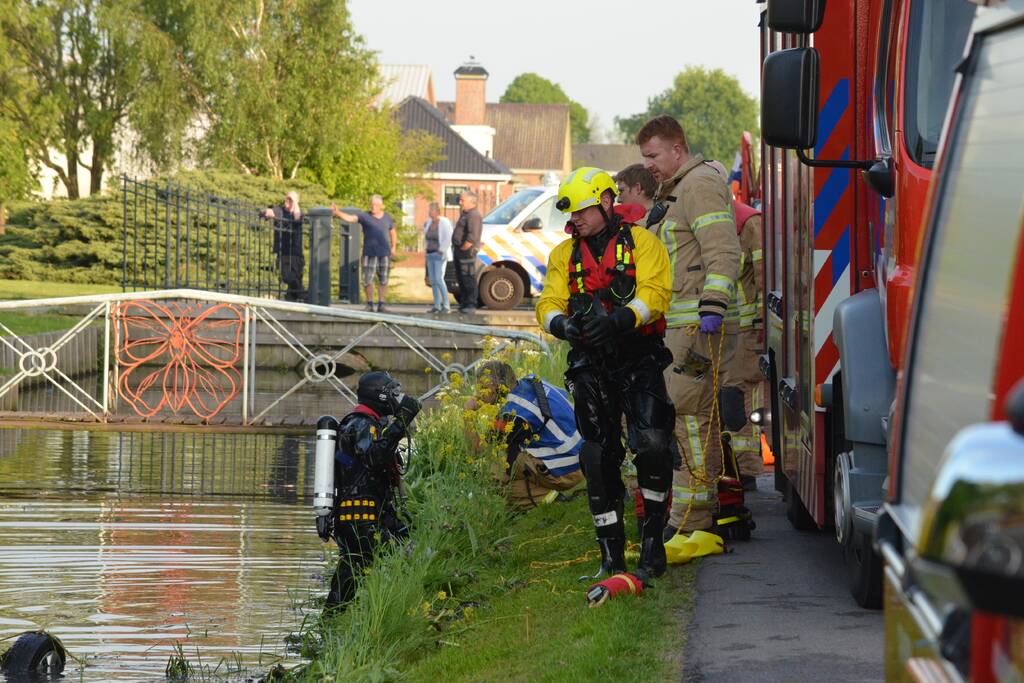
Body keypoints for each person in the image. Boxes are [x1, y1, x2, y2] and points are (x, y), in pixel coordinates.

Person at [537, 167, 675, 583]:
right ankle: (610, 555)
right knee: (597, 455)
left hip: (638, 354)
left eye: (582, 211)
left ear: (606, 203)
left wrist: (620, 320)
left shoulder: (643, 244)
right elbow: (547, 303)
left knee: (651, 443)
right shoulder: (564, 255)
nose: (575, 219)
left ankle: (652, 543)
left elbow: (657, 292)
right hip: (590, 360)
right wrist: (562, 325)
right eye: (572, 213)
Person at [636, 115, 742, 540]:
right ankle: (691, 516)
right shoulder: (675, 192)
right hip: (675, 330)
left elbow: (722, 247)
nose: (648, 166)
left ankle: (692, 522)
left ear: (676, 150)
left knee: (690, 420)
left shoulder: (697, 186)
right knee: (688, 419)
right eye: (644, 158)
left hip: (695, 329)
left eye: (653, 156)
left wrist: (713, 306)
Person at [316, 371, 421, 610]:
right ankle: (338, 626)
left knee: (356, 573)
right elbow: (374, 457)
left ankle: (372, 615)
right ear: (380, 396)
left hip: (371, 514)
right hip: (359, 517)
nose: (397, 398)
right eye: (393, 393)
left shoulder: (370, 423)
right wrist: (401, 423)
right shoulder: (360, 424)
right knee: (353, 575)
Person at [707, 160, 765, 490]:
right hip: (721, 329)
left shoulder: (747, 222)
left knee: (737, 396)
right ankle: (730, 470)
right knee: (721, 398)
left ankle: (747, 472)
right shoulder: (712, 221)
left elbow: (763, 276)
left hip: (747, 329)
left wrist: (759, 325)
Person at [464, 360, 584, 509]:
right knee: (511, 454)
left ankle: (547, 498)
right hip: (585, 456)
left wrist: (467, 414)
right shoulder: (532, 381)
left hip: (568, 470)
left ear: (494, 387)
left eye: (482, 388)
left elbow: (478, 450)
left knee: (491, 469)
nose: (479, 394)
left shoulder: (512, 413)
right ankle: (541, 492)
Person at [332, 195, 397, 313]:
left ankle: (381, 304)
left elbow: (393, 232)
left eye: (376, 205)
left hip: (384, 253)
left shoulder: (387, 217)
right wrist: (338, 213)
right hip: (369, 253)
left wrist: (393, 247)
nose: (373, 207)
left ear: (381, 206)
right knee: (368, 279)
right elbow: (351, 218)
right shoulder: (364, 216)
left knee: (383, 279)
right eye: (372, 204)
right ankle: (370, 304)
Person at [262, 191, 305, 302]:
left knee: (296, 278)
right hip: (283, 251)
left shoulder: (298, 212)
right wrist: (266, 212)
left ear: (296, 202)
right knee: (286, 276)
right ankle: (303, 293)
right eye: (287, 198)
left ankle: (294, 298)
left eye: (290, 200)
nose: (287, 201)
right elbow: (269, 212)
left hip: (296, 251)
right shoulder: (279, 210)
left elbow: (297, 218)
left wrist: (295, 202)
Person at [451, 190, 483, 314]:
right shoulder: (465, 214)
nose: (460, 203)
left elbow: (472, 235)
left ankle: (471, 303)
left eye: (462, 200)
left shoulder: (473, 215)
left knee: (468, 277)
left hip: (467, 252)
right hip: (459, 250)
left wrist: (464, 247)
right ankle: (464, 302)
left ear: (471, 201)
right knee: (461, 278)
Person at [422, 202, 453, 314]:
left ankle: (446, 305)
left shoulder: (444, 222)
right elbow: (425, 238)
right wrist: (425, 250)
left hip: (439, 254)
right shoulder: (428, 223)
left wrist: (441, 250)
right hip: (430, 254)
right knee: (433, 280)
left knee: (439, 279)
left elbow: (448, 238)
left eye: (431, 210)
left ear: (436, 211)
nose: (429, 212)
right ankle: (436, 305)